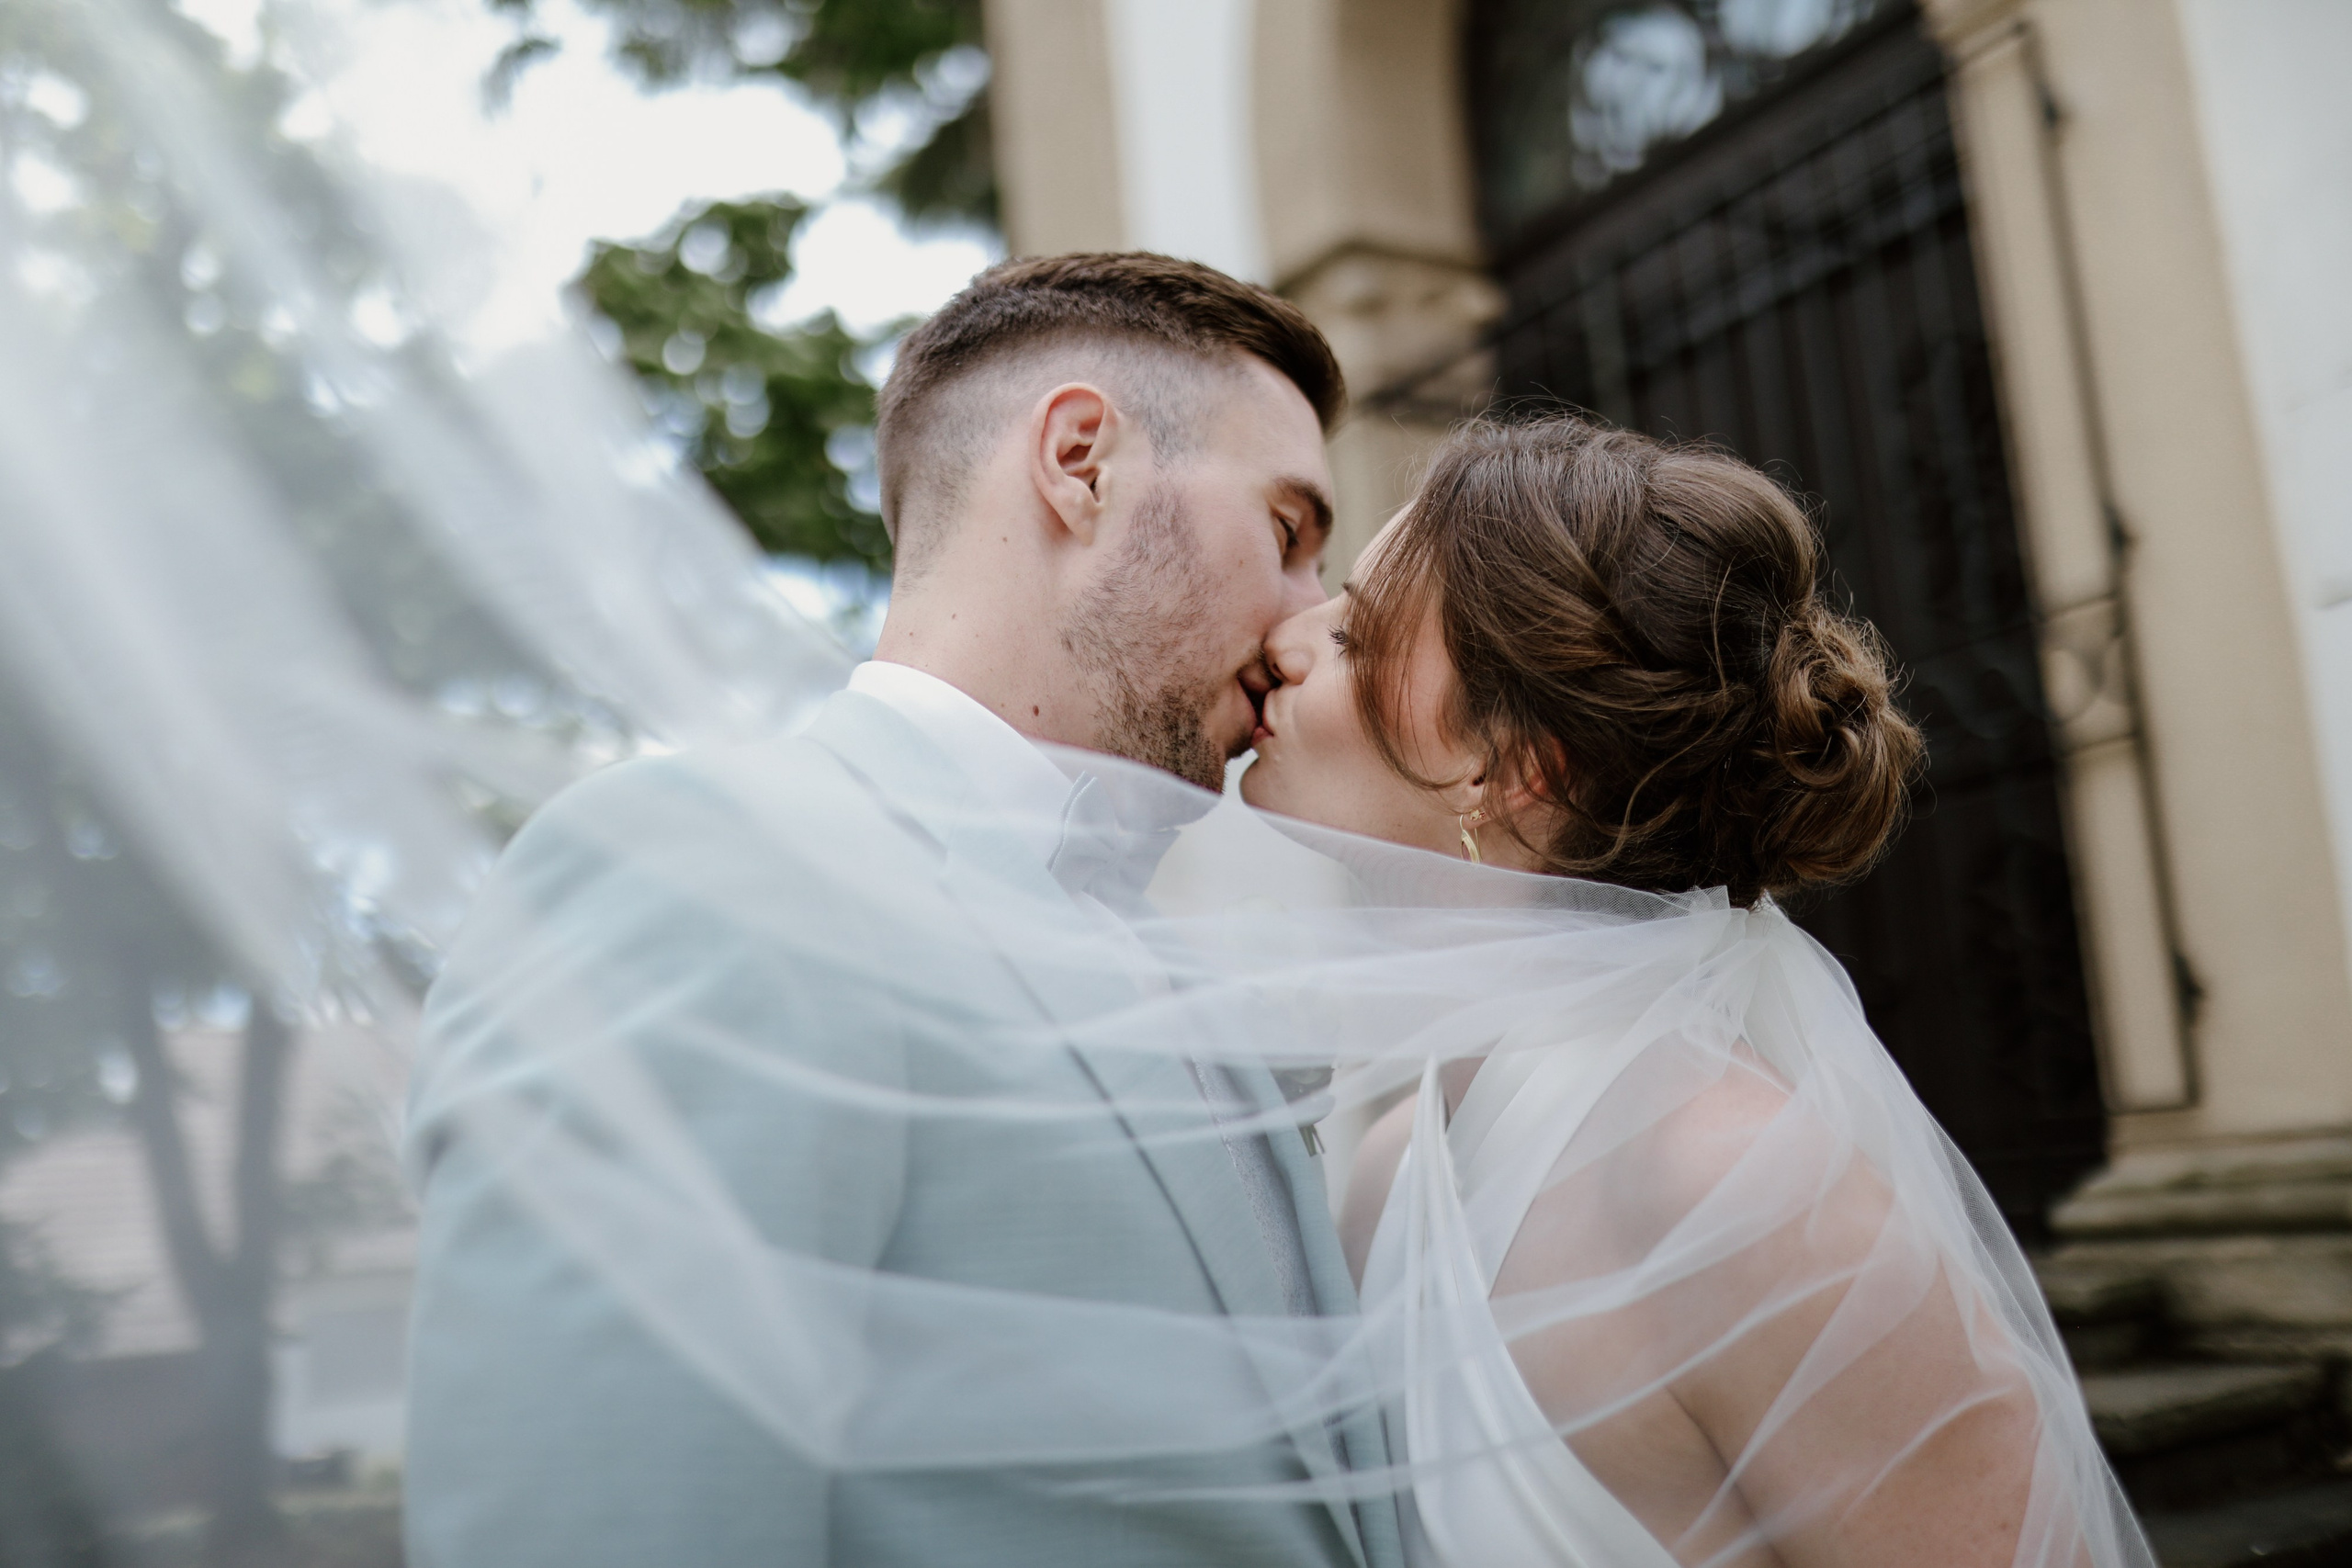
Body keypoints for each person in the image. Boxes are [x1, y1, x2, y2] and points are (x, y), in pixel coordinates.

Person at [401, 253, 1404, 1568]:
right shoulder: (707, 868)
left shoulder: (1184, 962)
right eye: (1287, 533)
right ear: (1082, 460)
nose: (1303, 627)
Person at [1241, 413, 2151, 1567]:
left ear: (1516, 769)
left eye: (1362, 638)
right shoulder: (1392, 1172)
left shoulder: (1752, 1196)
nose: (1286, 637)